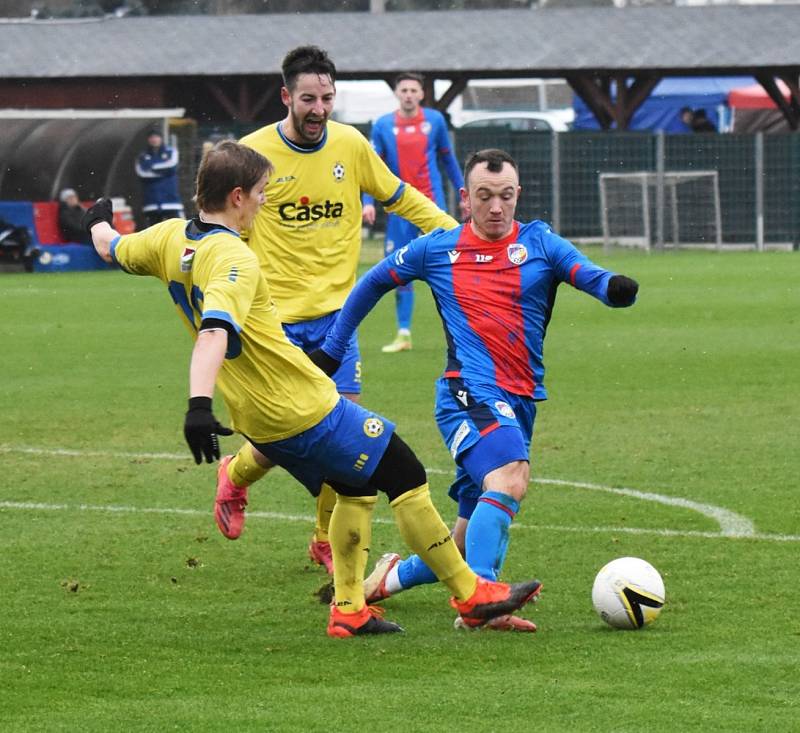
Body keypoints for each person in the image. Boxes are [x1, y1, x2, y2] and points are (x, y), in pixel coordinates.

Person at [81, 140, 542, 638]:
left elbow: (113, 247)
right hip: (300, 405)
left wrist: (97, 220)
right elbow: (215, 331)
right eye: (260, 193)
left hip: (256, 416)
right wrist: (196, 405)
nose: (264, 202)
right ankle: (472, 595)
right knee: (403, 471)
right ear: (237, 196)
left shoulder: (169, 238)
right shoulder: (235, 258)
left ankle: (349, 609)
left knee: (356, 484)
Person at [315, 148, 640, 632]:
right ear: (465, 198)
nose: (495, 207)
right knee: (511, 476)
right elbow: (373, 282)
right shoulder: (437, 248)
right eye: (484, 197)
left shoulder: (540, 243)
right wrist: (333, 348)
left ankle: (384, 582)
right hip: (465, 392)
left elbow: (588, 275)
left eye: (505, 196)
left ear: (517, 195)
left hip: (520, 400)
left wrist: (615, 287)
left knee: (464, 538)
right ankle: (484, 602)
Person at [230, 46, 458, 573]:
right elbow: (222, 222)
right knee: (290, 436)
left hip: (339, 318)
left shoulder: (350, 145)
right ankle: (237, 476)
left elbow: (400, 195)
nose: (318, 108)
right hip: (275, 321)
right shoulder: (253, 153)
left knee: (340, 436)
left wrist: (456, 235)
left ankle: (322, 539)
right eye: (308, 98)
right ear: (286, 97)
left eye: (327, 98)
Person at [361, 72, 464, 354]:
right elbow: (372, 167)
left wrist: (463, 193)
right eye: (404, 90)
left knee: (446, 267)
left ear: (421, 94)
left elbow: (448, 160)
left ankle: (460, 331)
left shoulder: (435, 121)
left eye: (413, 90)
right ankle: (403, 333)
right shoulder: (383, 125)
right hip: (399, 209)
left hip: (432, 209)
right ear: (397, 94)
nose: (408, 94)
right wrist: (367, 201)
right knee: (400, 268)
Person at [135, 128, 184, 227]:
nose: (154, 139)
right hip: (151, 204)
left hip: (171, 201)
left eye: (156, 136)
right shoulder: (142, 156)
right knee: (153, 235)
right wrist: (163, 173)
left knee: (178, 230)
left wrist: (151, 166)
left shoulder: (171, 152)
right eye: (152, 137)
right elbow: (142, 173)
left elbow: (171, 166)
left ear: (161, 138)